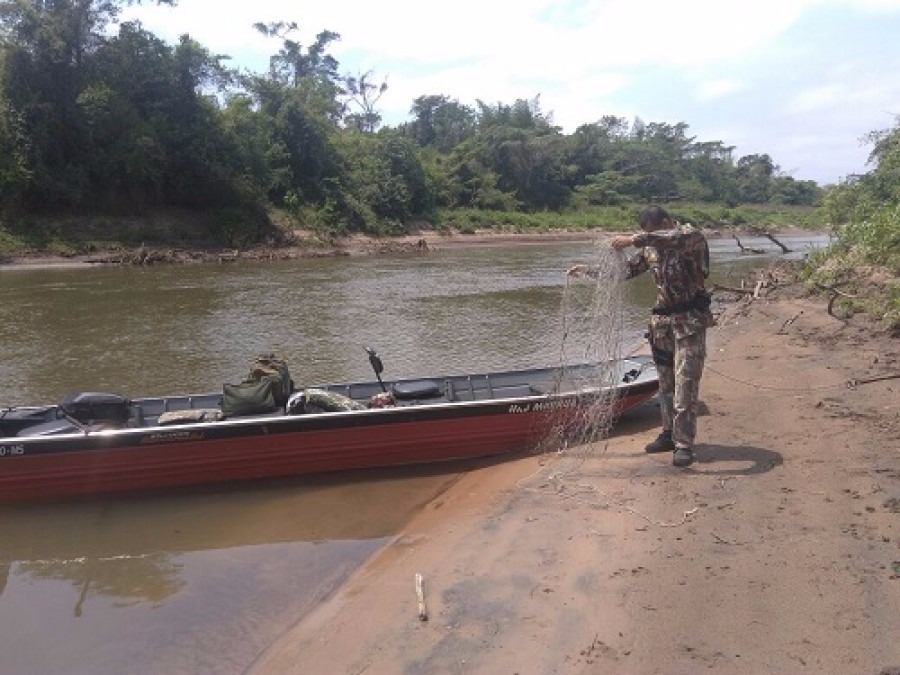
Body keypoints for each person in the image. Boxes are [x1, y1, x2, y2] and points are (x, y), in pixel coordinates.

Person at [568, 205, 713, 468]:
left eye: (653, 231)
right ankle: (668, 434)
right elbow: (625, 272)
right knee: (666, 386)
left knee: (686, 383)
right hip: (662, 326)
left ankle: (684, 445)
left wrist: (634, 239)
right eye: (645, 233)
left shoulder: (691, 236)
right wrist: (587, 271)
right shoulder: (650, 248)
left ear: (668, 222)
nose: (649, 236)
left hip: (689, 323)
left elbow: (675, 240)